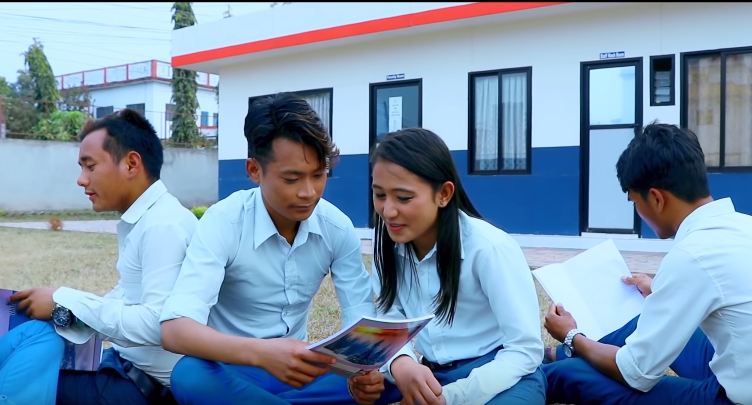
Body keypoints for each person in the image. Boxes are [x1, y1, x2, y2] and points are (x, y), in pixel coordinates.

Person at [160, 92, 377, 404]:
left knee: (392, 379)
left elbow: (360, 318)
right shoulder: (224, 221)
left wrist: (363, 373)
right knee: (189, 375)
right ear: (254, 170)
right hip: (236, 369)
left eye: (319, 175)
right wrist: (263, 354)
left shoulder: (336, 227)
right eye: (292, 179)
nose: (309, 192)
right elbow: (175, 330)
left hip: (301, 372)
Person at [542, 122, 752, 405]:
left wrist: (571, 336)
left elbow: (635, 372)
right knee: (640, 323)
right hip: (738, 366)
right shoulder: (743, 226)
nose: (638, 212)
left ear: (655, 198)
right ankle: (556, 355)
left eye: (634, 202)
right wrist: (659, 291)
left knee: (569, 375)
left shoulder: (691, 255)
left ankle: (542, 370)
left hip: (734, 397)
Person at [0, 108, 198, 404]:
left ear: (131, 164)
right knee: (30, 341)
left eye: (90, 167)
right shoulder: (144, 221)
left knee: (24, 372)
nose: (81, 180)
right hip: (121, 368)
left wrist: (64, 299)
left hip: (138, 387)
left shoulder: (164, 225)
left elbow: (159, 325)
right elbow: (122, 301)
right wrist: (61, 308)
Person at [349, 128, 546, 405]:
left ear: (444, 193)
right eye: (379, 195)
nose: (388, 211)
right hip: (431, 374)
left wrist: (448, 398)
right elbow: (388, 319)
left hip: (500, 376)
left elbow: (525, 350)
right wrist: (401, 363)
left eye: (403, 198)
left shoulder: (489, 248)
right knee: (342, 384)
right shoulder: (389, 249)